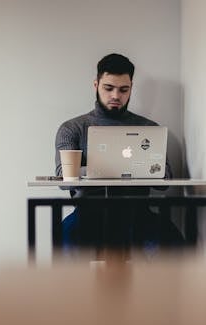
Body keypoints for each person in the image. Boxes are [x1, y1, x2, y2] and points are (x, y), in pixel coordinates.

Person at [55, 53, 184, 248]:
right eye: (109, 88)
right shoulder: (72, 128)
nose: (116, 96)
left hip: (138, 213)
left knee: (171, 242)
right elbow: (63, 179)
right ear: (96, 85)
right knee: (66, 240)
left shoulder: (149, 128)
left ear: (131, 88)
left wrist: (101, 169)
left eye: (124, 89)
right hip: (88, 213)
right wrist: (123, 167)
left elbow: (164, 179)